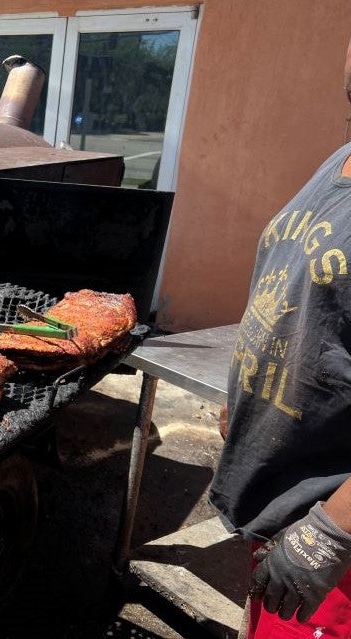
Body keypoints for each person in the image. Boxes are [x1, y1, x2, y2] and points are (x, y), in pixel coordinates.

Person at [208, 36, 351, 639]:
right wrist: (251, 397)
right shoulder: (341, 158)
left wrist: (333, 531)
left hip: (331, 535)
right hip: (282, 509)